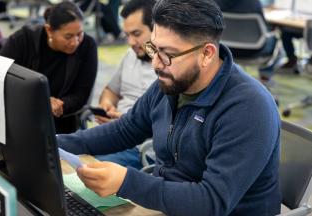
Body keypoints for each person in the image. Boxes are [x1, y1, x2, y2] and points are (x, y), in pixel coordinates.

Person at [57, 0, 281, 215]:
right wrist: (51, 141)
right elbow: (124, 130)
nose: (155, 63)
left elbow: (211, 202)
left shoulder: (247, 108)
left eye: (168, 54)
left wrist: (126, 182)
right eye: (153, 48)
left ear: (206, 54)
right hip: (169, 206)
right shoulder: (171, 82)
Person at [0, 1, 97, 134]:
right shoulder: (25, 39)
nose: (75, 42)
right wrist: (42, 101)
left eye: (79, 34)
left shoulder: (87, 46)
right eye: (68, 36)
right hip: (18, 113)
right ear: (49, 30)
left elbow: (81, 95)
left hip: (60, 123)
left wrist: (59, 105)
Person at [92, 0, 157, 169]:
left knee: (87, 169)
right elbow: (110, 91)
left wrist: (126, 123)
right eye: (127, 35)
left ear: (157, 29)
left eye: (136, 34)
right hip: (114, 135)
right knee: (63, 152)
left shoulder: (172, 70)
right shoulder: (131, 55)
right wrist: (106, 105)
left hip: (141, 148)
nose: (131, 42)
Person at [214, 0, 279, 81]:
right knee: (277, 41)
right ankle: (265, 79)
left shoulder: (214, 3)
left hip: (222, 50)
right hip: (254, 52)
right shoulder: (254, 3)